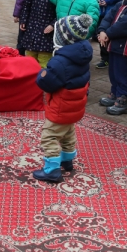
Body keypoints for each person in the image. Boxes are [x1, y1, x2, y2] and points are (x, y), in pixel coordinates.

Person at [33, 14, 94, 182]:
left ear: (63, 38)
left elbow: (46, 83)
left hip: (61, 105)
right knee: (67, 132)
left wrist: (43, 73)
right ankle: (67, 160)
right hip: (75, 106)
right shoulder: (82, 56)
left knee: (50, 135)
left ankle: (52, 169)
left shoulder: (60, 61)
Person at [20, 0, 60, 67]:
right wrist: (23, 20)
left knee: (44, 60)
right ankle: (29, 79)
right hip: (32, 29)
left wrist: (52, 25)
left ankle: (42, 80)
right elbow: (27, 5)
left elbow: (60, 12)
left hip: (46, 32)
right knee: (29, 59)